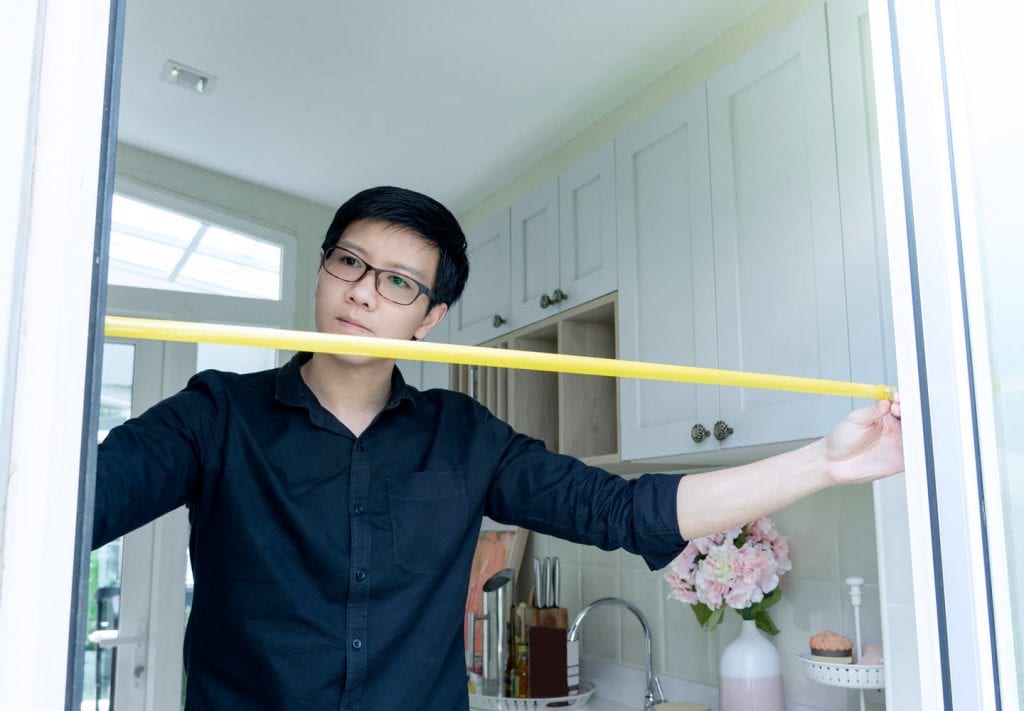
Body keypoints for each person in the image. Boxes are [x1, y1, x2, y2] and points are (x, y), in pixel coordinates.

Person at [92, 186, 904, 710]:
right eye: (350, 262)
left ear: (429, 318)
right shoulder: (213, 416)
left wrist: (826, 463)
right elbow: (74, 502)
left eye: (400, 282)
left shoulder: (466, 436)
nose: (366, 291)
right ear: (324, 270)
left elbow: (627, 509)